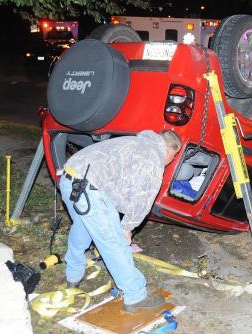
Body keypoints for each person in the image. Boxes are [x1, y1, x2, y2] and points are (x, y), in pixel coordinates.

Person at [58, 129, 182, 312]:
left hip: (69, 179)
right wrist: (127, 228)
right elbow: (142, 201)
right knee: (114, 242)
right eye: (173, 157)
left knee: (82, 229)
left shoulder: (134, 141)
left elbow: (121, 184)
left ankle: (73, 276)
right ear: (170, 150)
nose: (170, 161)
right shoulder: (153, 159)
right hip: (89, 189)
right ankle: (135, 296)